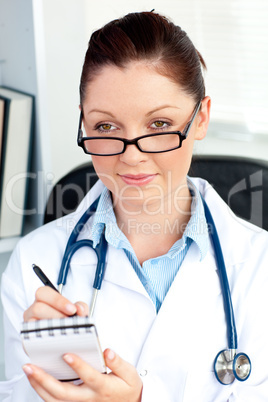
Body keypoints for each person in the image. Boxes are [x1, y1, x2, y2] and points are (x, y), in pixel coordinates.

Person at [1, 10, 268, 402]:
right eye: (106, 127)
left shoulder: (258, 266)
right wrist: (50, 376)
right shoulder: (34, 264)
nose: (131, 156)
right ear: (84, 124)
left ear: (200, 119)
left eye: (159, 125)